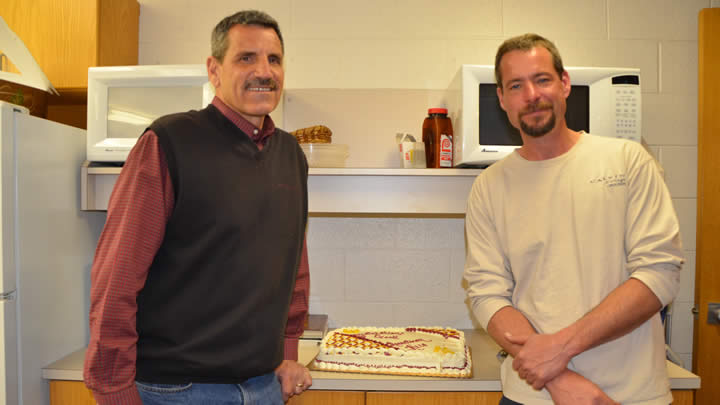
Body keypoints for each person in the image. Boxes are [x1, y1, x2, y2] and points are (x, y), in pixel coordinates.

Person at [84, 10, 312, 405]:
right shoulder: (169, 142)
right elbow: (118, 276)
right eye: (246, 58)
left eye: (274, 59)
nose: (264, 71)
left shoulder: (290, 154)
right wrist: (112, 387)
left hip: (263, 388)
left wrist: (287, 353)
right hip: (176, 391)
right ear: (214, 69)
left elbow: (293, 264)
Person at [464, 33, 683, 405]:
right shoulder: (490, 185)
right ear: (502, 99)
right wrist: (561, 380)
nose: (531, 95)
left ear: (564, 83)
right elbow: (486, 293)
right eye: (516, 85)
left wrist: (559, 351)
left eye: (542, 79)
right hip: (530, 395)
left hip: (630, 395)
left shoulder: (628, 161)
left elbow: (658, 272)